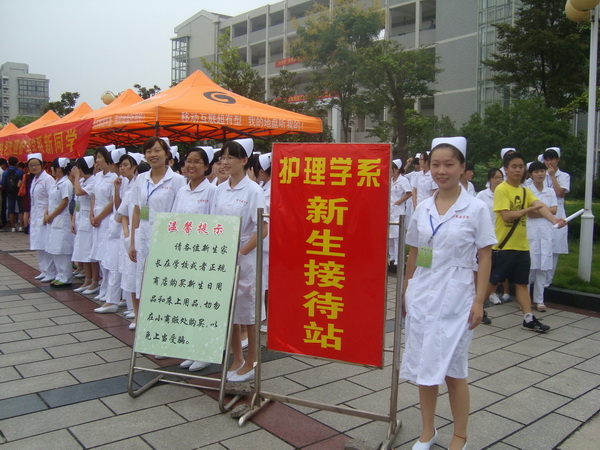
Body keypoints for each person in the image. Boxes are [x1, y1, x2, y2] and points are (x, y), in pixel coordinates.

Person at [402, 137, 496, 450]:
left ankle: (460, 436)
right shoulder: (424, 207)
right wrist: (407, 290)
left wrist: (479, 301)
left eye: (449, 164)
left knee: (454, 370)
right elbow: (415, 251)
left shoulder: (476, 208)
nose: (441, 171)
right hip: (423, 291)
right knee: (424, 366)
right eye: (436, 165)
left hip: (457, 297)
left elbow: (485, 255)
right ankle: (427, 431)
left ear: (462, 168)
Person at [484, 152, 566, 332]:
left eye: (521, 166)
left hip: (522, 247)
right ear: (506, 169)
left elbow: (540, 206)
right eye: (514, 166)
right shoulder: (502, 189)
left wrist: (555, 220)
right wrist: (527, 210)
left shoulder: (524, 190)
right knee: (492, 282)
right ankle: (475, 308)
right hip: (504, 246)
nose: (518, 170)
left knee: (522, 283)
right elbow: (506, 216)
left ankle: (528, 319)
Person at [212, 138, 267, 383]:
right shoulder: (220, 188)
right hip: (222, 255)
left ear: (244, 161)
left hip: (245, 258)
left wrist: (241, 253)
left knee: (248, 310)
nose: (225, 162)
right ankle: (237, 358)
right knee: (229, 309)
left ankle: (252, 360)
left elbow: (262, 229)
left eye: (230, 157)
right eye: (223, 157)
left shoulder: (253, 190)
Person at [173, 146, 218, 372]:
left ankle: (205, 351)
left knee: (203, 306)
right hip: (183, 255)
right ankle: (191, 348)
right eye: (188, 161)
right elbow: (174, 221)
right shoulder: (182, 190)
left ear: (207, 166)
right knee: (187, 305)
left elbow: (216, 225)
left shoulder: (212, 191)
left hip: (203, 257)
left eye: (197, 161)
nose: (191, 165)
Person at [526, 161, 557, 312]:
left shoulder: (550, 191)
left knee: (543, 267)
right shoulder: (527, 191)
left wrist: (540, 211)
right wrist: (545, 211)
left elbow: (554, 210)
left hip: (546, 231)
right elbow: (529, 212)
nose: (540, 174)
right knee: (529, 267)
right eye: (536, 172)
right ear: (531, 175)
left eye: (542, 171)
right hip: (531, 231)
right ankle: (525, 299)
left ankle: (539, 299)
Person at [476, 168, 510, 307]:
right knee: (488, 262)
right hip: (486, 233)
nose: (498, 180)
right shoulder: (482, 195)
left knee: (498, 264)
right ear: (489, 179)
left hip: (501, 232)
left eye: (500, 177)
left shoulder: (505, 193)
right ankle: (486, 293)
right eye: (495, 177)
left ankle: (493, 292)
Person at [44, 158, 75, 287]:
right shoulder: (56, 182)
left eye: (53, 167)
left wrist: (51, 215)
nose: (51, 169)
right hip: (54, 220)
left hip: (61, 219)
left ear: (59, 168)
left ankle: (66, 277)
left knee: (62, 250)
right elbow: (51, 201)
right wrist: (47, 213)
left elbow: (64, 202)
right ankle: (59, 274)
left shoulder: (66, 183)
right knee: (55, 249)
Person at [27, 153, 56, 282]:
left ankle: (51, 272)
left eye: (36, 164)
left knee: (45, 244)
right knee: (39, 244)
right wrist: (31, 216)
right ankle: (44, 270)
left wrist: (47, 214)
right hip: (35, 215)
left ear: (42, 165)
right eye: (31, 165)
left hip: (44, 215)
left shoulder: (47, 179)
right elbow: (33, 201)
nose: (34, 167)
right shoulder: (34, 179)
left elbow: (53, 198)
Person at [542, 147, 570, 282]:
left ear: (557, 160)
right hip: (543, 212)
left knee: (554, 248)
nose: (549, 163)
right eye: (546, 160)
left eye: (552, 159)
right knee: (542, 245)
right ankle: (538, 280)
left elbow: (560, 193)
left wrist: (552, 176)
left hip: (557, 211)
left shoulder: (564, 176)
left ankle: (548, 281)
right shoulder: (541, 174)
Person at [71, 156, 97, 293]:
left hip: (89, 220)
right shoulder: (82, 181)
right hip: (81, 218)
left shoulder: (93, 181)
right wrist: (73, 220)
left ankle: (95, 281)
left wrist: (75, 177)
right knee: (82, 251)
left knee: (89, 253)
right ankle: (87, 280)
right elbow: (77, 202)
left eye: (78, 167)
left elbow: (79, 192)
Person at [388, 158, 412, 273]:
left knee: (397, 236)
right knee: (390, 236)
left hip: (398, 210)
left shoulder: (403, 180)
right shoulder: (391, 180)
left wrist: (399, 201)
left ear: (397, 169)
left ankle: (398, 259)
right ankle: (391, 257)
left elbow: (409, 193)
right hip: (391, 210)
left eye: (392, 169)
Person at [2, 156, 24, 231]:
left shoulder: (5, 173)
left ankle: (13, 227)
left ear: (8, 163)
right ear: (17, 163)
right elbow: (23, 182)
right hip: (19, 192)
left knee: (11, 209)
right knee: (21, 209)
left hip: (9, 192)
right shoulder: (20, 172)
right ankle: (21, 226)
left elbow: (3, 183)